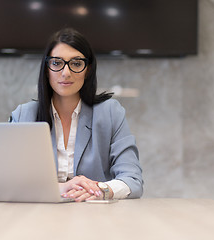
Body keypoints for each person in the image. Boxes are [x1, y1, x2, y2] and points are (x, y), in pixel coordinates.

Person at [10, 28, 143, 202]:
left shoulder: (110, 113)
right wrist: (61, 188)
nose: (66, 73)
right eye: (57, 63)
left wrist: (100, 189)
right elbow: (10, 181)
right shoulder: (23, 115)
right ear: (46, 69)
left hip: (95, 216)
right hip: (38, 215)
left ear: (87, 69)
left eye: (76, 63)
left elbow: (133, 180)